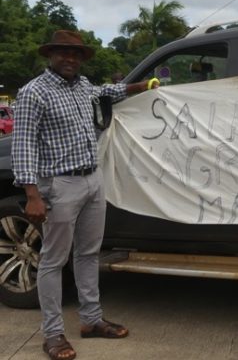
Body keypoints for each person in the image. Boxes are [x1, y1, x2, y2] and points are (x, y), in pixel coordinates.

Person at [11, 30, 157, 360]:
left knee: (89, 253)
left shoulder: (83, 87)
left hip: (92, 179)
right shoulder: (34, 93)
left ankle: (91, 320)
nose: (70, 59)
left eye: (75, 54)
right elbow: (23, 148)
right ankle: (52, 334)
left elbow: (110, 91)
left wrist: (143, 86)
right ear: (50, 55)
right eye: (63, 53)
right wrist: (32, 195)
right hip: (59, 186)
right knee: (53, 260)